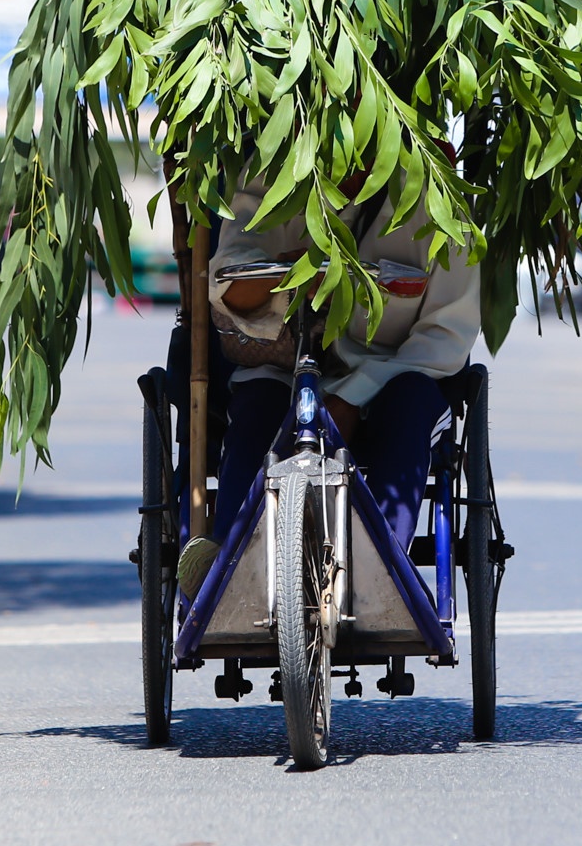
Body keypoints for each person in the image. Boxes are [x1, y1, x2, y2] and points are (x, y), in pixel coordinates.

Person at [175, 173, 482, 598]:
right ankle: (231, 575)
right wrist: (286, 274)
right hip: (283, 372)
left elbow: (445, 338)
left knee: (411, 404)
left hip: (391, 380)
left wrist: (352, 399)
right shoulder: (270, 177)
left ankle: (381, 577)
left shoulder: (440, 208)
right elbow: (227, 281)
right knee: (256, 408)